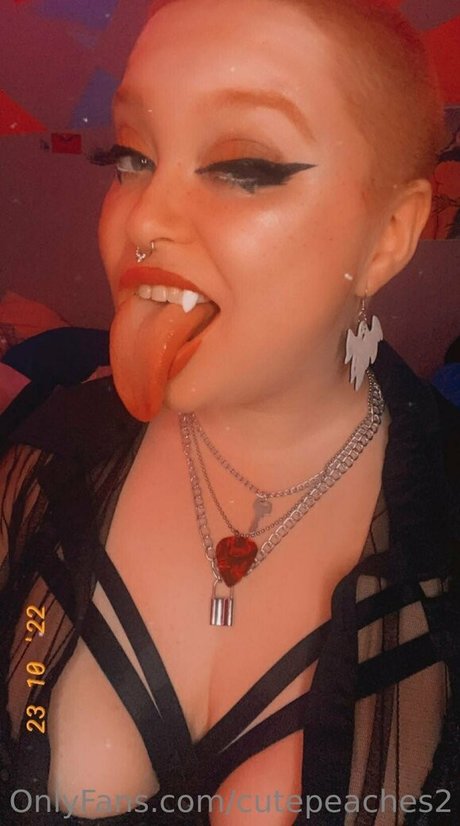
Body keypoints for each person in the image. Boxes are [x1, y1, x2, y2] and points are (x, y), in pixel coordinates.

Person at [1, 0, 459, 824]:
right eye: (131, 156)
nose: (143, 219)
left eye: (244, 167)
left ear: (389, 235)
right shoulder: (38, 467)